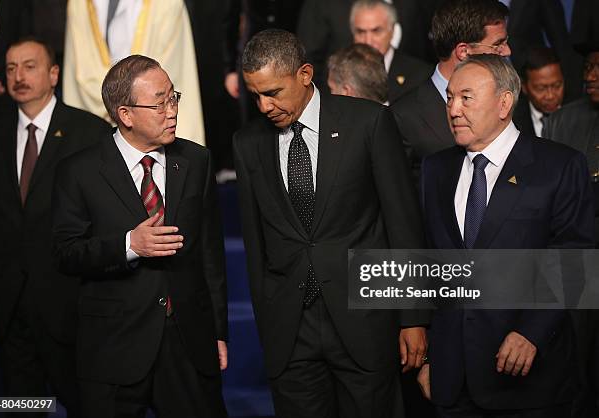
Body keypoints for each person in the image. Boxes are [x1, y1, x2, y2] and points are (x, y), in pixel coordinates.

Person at [233, 29, 426, 418]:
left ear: (305, 74)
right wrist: (268, 323)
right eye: (255, 95)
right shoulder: (247, 142)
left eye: (272, 92)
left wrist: (413, 317)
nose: (264, 106)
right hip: (291, 330)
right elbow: (256, 246)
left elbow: (401, 222)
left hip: (364, 320)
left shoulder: (368, 123)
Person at [52, 55, 228, 418]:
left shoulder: (196, 161)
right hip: (113, 348)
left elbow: (210, 255)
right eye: (159, 102)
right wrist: (129, 245)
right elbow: (66, 253)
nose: (172, 110)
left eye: (173, 97)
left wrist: (218, 332)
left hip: (187, 344)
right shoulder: (79, 171)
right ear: (125, 114)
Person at [418, 53, 594, 417]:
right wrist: (434, 353)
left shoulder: (559, 165)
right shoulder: (436, 170)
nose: (453, 109)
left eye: (466, 98)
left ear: (504, 103)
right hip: (453, 383)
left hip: (530, 382)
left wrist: (532, 332)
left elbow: (573, 257)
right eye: (450, 98)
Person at [0, 37, 111, 417]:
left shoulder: (89, 133)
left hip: (70, 305)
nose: (18, 76)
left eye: (29, 66)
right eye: (10, 68)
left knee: (84, 404)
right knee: (21, 408)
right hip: (9, 309)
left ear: (54, 74)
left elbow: (103, 221)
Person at [391, 0, 510, 185]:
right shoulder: (403, 117)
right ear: (464, 52)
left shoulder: (506, 100)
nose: (507, 52)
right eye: (497, 45)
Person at [543, 40, 599, 418]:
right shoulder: (566, 120)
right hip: (578, 261)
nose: (590, 76)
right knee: (579, 361)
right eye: (588, 67)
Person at [63, 0, 205, 145]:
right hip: (97, 116)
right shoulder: (80, 4)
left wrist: (122, 99)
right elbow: (81, 64)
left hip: (148, 114)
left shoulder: (167, 4)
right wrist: (117, 100)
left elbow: (161, 74)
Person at [349, 0, 432, 104]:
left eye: (376, 31)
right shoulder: (339, 72)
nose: (368, 41)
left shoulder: (420, 76)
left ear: (392, 31)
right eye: (361, 32)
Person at [513, 47, 564, 137]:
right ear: (524, 87)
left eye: (557, 86)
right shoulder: (512, 121)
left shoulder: (580, 114)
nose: (550, 96)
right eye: (541, 88)